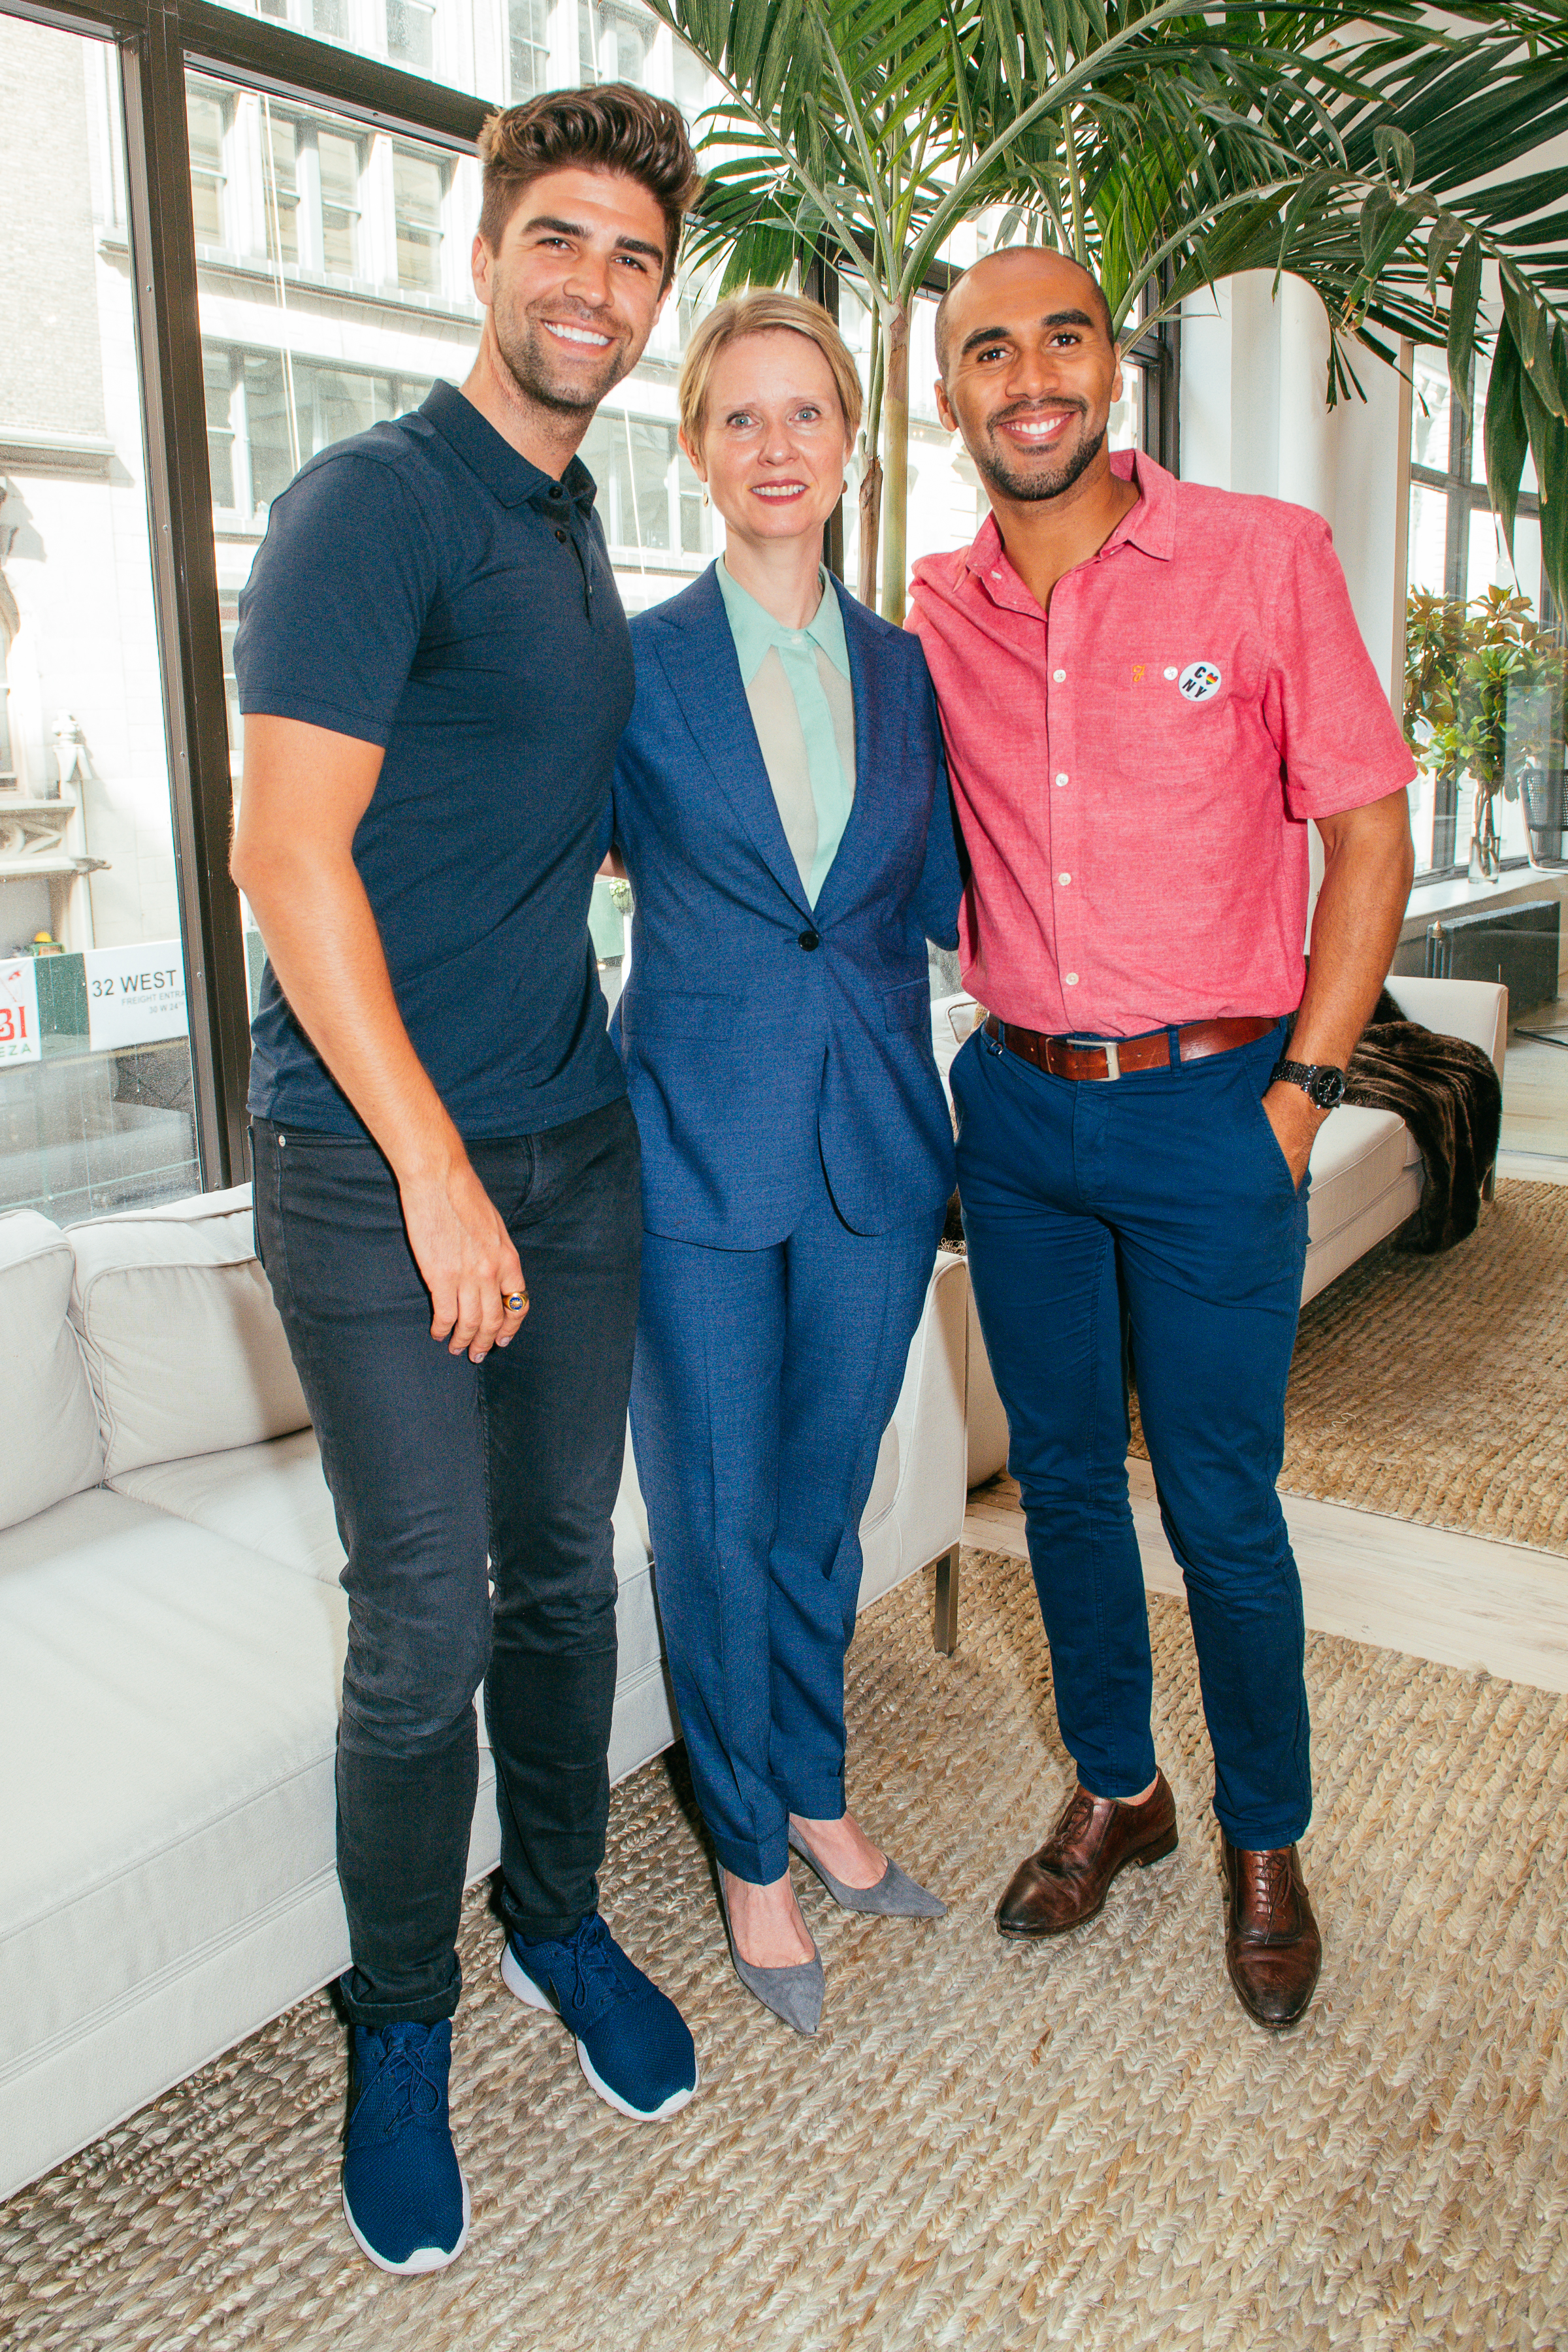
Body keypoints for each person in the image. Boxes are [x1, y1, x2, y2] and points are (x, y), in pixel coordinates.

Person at [229, 87, 704, 2276]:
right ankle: (399, 2021)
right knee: (420, 1633)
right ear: (481, 247)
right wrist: (432, 1171)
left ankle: (556, 1924)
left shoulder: (569, 522)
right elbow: (282, 856)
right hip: (375, 1164)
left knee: (564, 1582)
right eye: (560, 242)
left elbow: (518, 826)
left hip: (572, 1141)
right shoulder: (373, 502)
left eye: (632, 256)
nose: (593, 287)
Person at [907, 247, 1416, 2029]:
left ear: (1110, 370)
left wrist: (1304, 1098)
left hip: (1219, 1103)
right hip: (1022, 1111)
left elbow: (1368, 842)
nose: (1027, 374)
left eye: (1060, 338)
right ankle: (1123, 1788)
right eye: (988, 349)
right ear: (949, 393)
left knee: (1221, 1504)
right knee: (1055, 1479)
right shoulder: (934, 610)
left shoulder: (1263, 557)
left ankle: (1268, 1839)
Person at [607, 291, 961, 2034]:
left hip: (878, 1158)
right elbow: (537, 883)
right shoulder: (636, 666)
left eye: (804, 414)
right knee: (715, 1521)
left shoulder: (909, 674)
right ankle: (748, 1848)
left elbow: (948, 907)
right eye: (738, 418)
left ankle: (816, 1789)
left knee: (821, 1511)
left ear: (850, 442)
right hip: (689, 1163)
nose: (774, 447)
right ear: (692, 445)